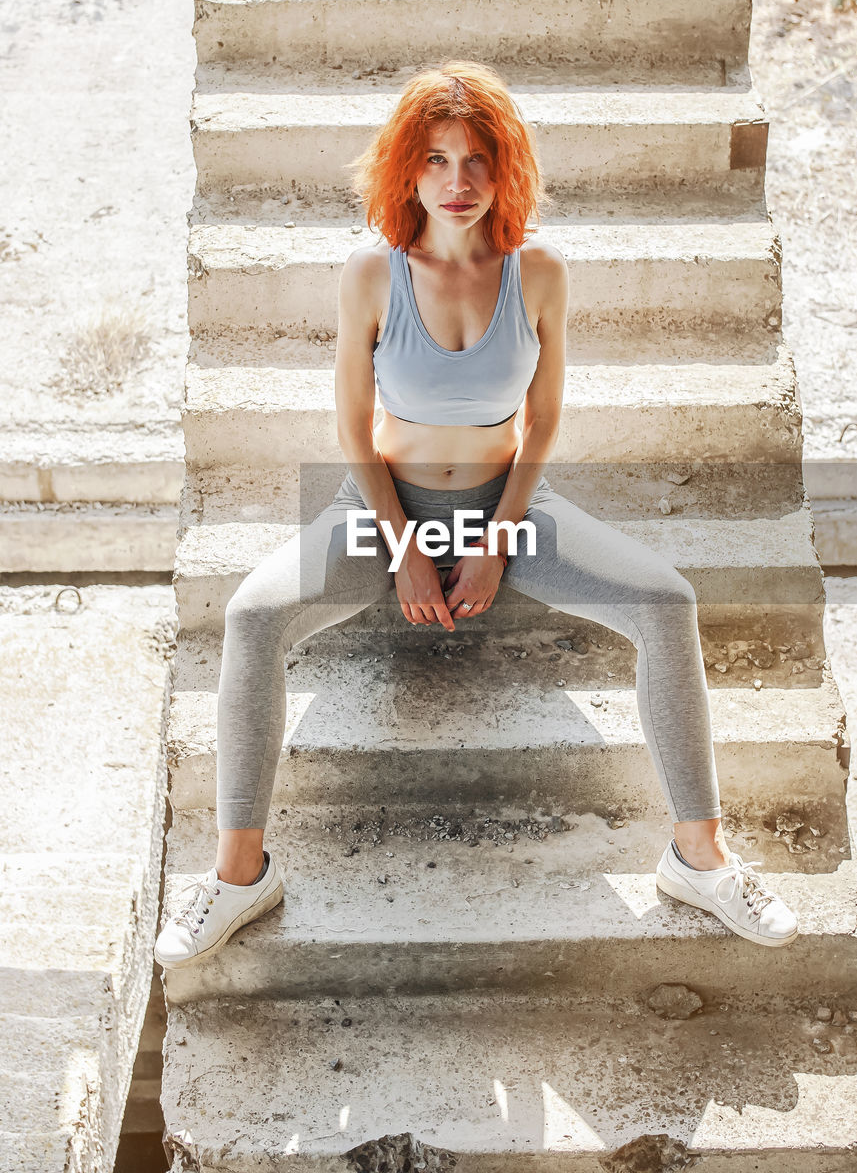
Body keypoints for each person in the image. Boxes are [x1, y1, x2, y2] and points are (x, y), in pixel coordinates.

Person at [154, 61, 798, 970]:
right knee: (252, 617)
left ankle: (699, 857)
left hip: (503, 504)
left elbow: (542, 420)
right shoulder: (372, 275)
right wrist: (407, 545)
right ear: (405, 172)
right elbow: (349, 427)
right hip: (383, 507)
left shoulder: (536, 272)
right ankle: (238, 876)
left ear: (505, 170)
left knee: (668, 601)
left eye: (476, 161)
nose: (457, 183)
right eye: (435, 160)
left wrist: (497, 537)